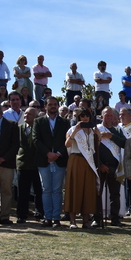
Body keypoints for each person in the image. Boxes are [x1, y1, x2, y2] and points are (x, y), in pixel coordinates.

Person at [32, 96, 69, 227]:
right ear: (45, 106)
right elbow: (36, 139)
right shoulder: (38, 121)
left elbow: (68, 140)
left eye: (55, 104)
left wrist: (58, 154)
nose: (53, 106)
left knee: (57, 190)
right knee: (46, 189)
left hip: (59, 160)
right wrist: (48, 153)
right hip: (44, 160)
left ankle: (56, 218)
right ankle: (48, 217)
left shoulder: (65, 122)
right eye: (50, 104)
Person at [64, 108, 102, 229]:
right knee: (75, 188)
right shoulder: (72, 129)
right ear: (78, 117)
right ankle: (73, 221)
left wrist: (99, 136)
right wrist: (75, 131)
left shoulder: (92, 131)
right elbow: (67, 144)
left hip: (88, 161)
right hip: (76, 160)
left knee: (88, 190)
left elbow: (95, 148)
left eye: (87, 115)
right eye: (82, 116)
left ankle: (86, 221)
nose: (85, 118)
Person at [96, 107, 127, 227]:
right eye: (106, 115)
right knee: (97, 193)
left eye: (110, 115)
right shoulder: (96, 129)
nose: (108, 117)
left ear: (114, 117)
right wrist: (100, 164)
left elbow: (125, 144)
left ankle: (115, 219)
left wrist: (111, 136)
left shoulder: (117, 130)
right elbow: (92, 149)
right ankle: (96, 218)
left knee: (115, 194)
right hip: (100, 166)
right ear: (102, 116)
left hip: (114, 166)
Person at [15, 106, 44, 224]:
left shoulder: (40, 129)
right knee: (22, 191)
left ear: (36, 117)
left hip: (38, 164)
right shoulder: (19, 128)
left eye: (29, 114)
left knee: (39, 191)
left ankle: (40, 214)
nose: (26, 116)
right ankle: (21, 215)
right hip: (23, 163)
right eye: (25, 114)